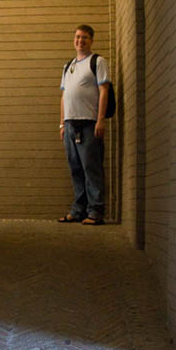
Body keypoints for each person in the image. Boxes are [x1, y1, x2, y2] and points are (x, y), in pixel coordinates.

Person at [58, 24, 110, 225]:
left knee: (91, 168)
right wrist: (61, 124)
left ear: (91, 40)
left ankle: (95, 211)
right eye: (78, 37)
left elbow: (104, 90)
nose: (81, 40)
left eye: (85, 37)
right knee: (76, 168)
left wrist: (100, 119)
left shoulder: (98, 62)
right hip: (70, 124)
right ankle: (78, 210)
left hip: (89, 123)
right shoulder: (68, 65)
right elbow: (64, 95)